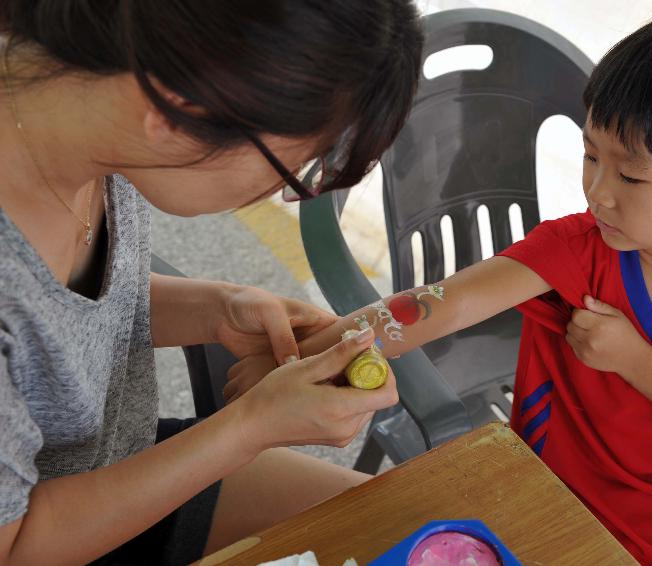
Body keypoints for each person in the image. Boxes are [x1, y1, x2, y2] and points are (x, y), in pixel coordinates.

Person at [228, 8, 652, 565]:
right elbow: (436, 308)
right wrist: (296, 361)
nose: (597, 191)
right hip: (552, 503)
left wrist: (633, 359)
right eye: (589, 156)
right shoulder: (576, 249)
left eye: (630, 174)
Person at [0, 1, 422, 564]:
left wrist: (217, 309)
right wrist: (250, 427)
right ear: (178, 108)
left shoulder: (91, 118)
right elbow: (16, 546)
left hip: (124, 466)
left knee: (413, 534)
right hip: (45, 532)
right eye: (291, 172)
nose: (279, 193)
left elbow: (53, 320)